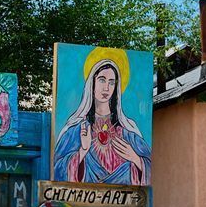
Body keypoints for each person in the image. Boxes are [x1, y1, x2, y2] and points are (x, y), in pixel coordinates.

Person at [53, 51, 151, 185]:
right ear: (92, 83)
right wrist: (83, 151)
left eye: (111, 82)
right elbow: (57, 168)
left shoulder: (127, 130)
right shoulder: (78, 129)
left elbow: (150, 166)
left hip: (122, 203)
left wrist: (135, 158)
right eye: (102, 80)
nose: (106, 88)